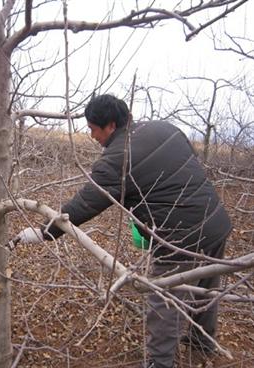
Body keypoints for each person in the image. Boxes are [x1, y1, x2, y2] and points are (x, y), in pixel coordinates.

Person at [13, 94, 232, 368]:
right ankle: (202, 342)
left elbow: (83, 205)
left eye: (93, 128)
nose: (91, 135)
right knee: (206, 288)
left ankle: (160, 363)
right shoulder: (165, 128)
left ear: (111, 125)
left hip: (180, 236)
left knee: (164, 300)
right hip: (215, 222)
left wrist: (44, 232)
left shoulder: (117, 158)